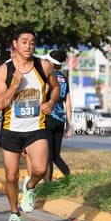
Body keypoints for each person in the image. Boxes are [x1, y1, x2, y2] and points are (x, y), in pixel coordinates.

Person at [0, 27, 60, 221]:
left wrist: (51, 102)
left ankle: (29, 187)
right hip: (11, 129)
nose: (29, 46)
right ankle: (14, 214)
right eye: (24, 42)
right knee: (11, 176)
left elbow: (55, 87)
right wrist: (14, 86)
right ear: (15, 44)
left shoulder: (43, 65)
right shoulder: (5, 70)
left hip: (36, 127)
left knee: (40, 169)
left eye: (32, 42)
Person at [42, 50, 71, 182]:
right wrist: (69, 123)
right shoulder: (64, 79)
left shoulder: (50, 77)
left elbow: (44, 94)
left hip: (48, 118)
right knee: (56, 156)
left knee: (47, 156)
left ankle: (48, 186)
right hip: (60, 120)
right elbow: (68, 102)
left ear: (51, 63)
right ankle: (71, 179)